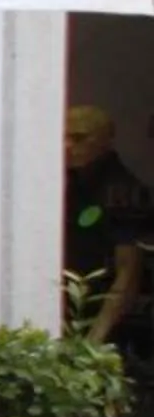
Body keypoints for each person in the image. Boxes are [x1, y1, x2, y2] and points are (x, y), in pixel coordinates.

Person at [62, 105, 151, 346]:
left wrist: (93, 343)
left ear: (104, 140)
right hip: (66, 309)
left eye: (79, 138)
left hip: (103, 321)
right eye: (63, 136)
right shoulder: (69, 182)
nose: (67, 146)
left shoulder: (123, 192)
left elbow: (128, 275)